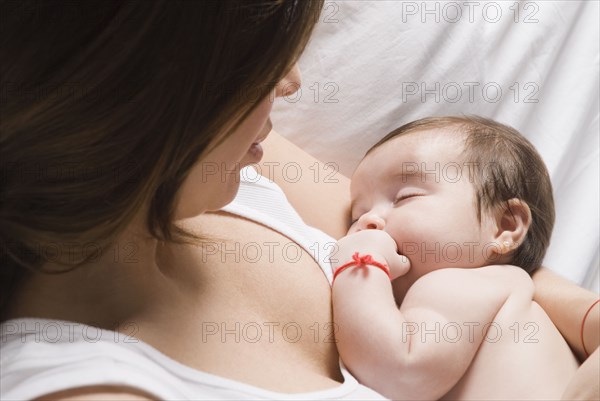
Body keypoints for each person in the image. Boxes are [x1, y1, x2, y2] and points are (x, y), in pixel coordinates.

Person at [0, 1, 597, 400]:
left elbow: (461, 243)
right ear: (151, 98)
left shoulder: (238, 171)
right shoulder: (84, 381)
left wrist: (583, 314)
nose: (291, 84)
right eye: (259, 66)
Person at [331, 116, 599, 400]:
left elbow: (398, 373)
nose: (369, 221)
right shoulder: (509, 296)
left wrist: (359, 264)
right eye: (357, 216)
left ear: (505, 226)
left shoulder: (460, 284)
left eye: (405, 197)